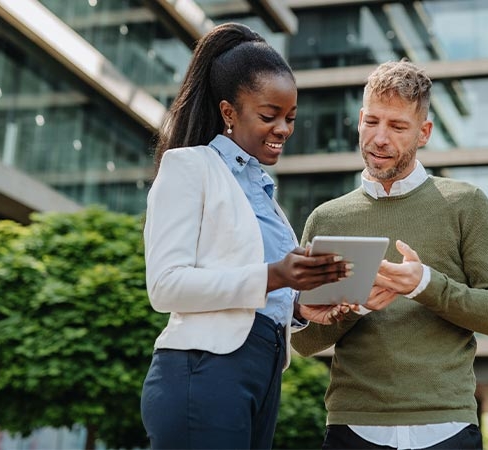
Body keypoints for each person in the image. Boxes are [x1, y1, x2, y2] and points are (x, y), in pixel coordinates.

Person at [140, 23, 353, 450]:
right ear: (229, 112)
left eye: (290, 118)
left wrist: (302, 306)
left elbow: (262, 293)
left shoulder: (263, 192)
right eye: (268, 115)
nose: (283, 129)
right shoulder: (190, 167)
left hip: (262, 373)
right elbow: (165, 287)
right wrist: (276, 274)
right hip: (205, 373)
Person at [291, 59, 488, 449]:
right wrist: (357, 306)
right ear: (360, 120)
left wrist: (425, 285)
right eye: (372, 122)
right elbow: (305, 341)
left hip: (446, 427)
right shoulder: (326, 219)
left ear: (424, 132)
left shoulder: (466, 204)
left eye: (398, 127)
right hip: (352, 428)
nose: (380, 138)